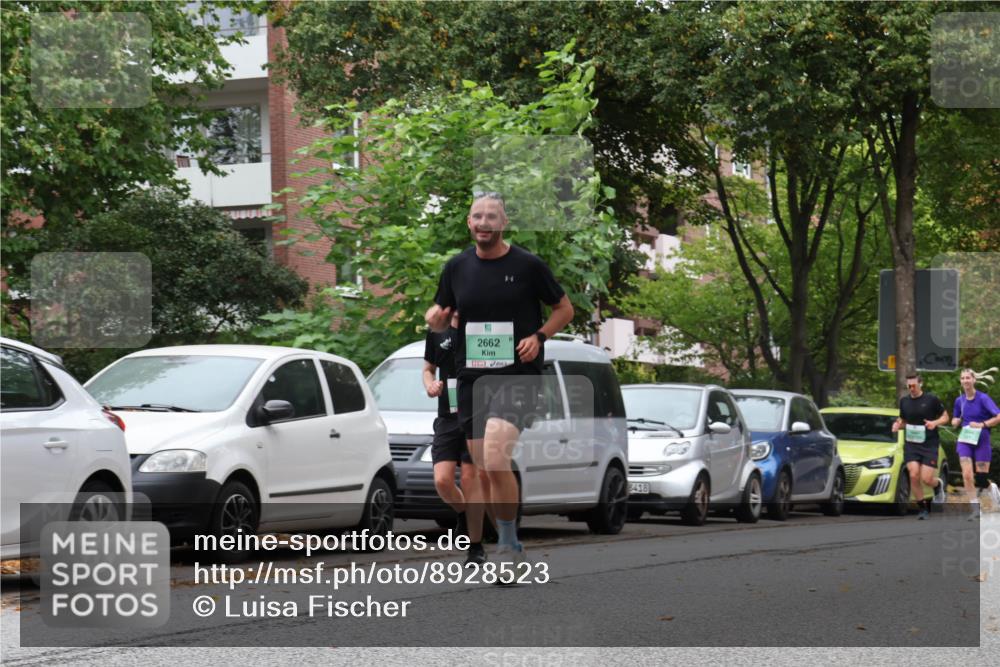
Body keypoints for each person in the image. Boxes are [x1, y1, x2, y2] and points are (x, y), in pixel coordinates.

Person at [425, 192, 574, 575]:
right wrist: (437, 320)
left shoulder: (527, 265)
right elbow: (442, 314)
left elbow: (565, 309)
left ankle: (508, 543)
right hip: (473, 379)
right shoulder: (456, 268)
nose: (485, 222)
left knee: (494, 456)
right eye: (478, 216)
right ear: (469, 224)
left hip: (518, 375)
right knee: (484, 467)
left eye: (492, 216)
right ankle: (497, 536)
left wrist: (539, 337)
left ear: (503, 223)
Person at [423, 310, 491, 564]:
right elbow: (428, 369)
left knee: (471, 477)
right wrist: (430, 384)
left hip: (476, 414)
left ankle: (475, 546)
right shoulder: (437, 333)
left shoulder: (483, 330)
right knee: (442, 481)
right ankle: (464, 513)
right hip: (447, 418)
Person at [892, 374, 949, 519]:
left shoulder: (931, 399)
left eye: (914, 385)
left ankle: (936, 486)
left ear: (920, 384)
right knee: (913, 474)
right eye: (908, 385)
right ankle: (922, 508)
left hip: (929, 444)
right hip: (911, 444)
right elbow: (903, 420)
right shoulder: (904, 401)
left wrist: (934, 423)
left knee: (926, 479)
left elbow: (945, 417)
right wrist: (897, 425)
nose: (911, 388)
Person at [950, 368, 1000, 521]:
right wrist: (955, 422)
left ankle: (992, 488)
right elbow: (954, 420)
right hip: (965, 439)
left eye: (968, 378)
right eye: (963, 378)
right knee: (966, 474)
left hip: (982, 439)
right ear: (961, 381)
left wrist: (982, 424)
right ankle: (974, 507)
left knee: (981, 479)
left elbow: (998, 417)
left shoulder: (983, 398)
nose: (965, 381)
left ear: (974, 380)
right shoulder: (960, 401)